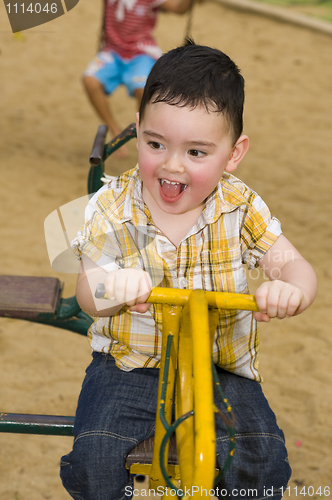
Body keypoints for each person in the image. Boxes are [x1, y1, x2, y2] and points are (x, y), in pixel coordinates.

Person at [60, 40, 317, 499]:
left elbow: (295, 266)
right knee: (93, 457)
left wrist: (291, 290)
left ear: (233, 154)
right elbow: (86, 293)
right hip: (129, 365)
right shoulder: (112, 206)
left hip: (221, 369)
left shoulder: (238, 205)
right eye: (155, 143)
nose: (171, 165)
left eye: (196, 153)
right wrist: (111, 286)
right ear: (137, 130)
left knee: (262, 457)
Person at [82, 0, 193, 157]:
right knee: (90, 80)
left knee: (143, 90)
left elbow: (178, 9)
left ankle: (146, 135)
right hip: (112, 51)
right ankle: (114, 130)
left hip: (141, 52)